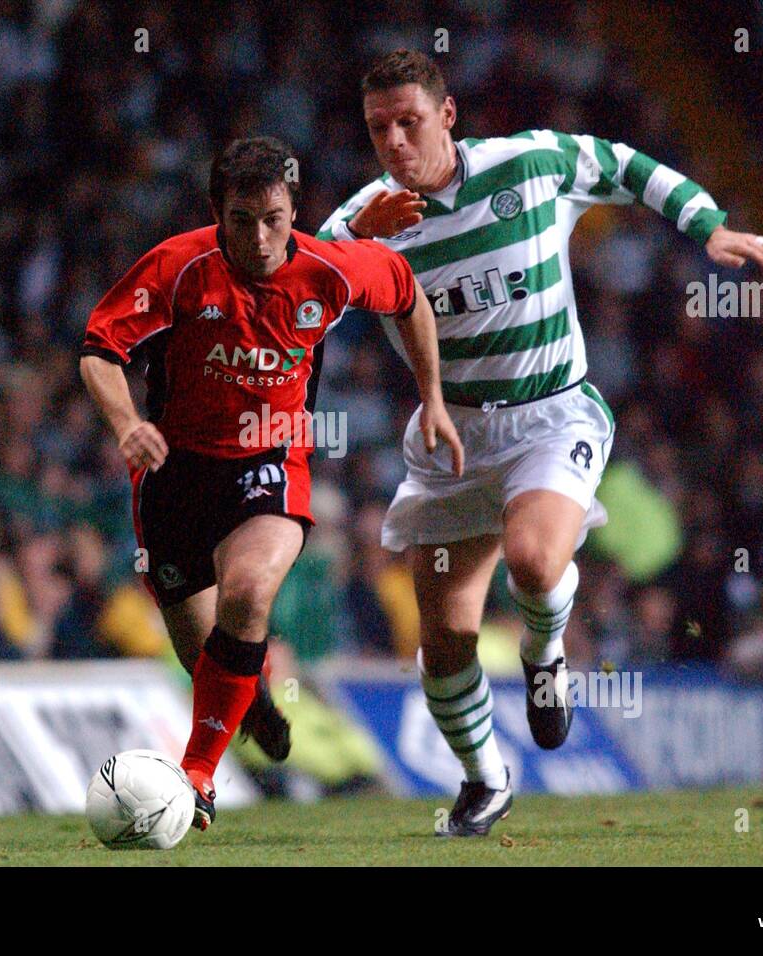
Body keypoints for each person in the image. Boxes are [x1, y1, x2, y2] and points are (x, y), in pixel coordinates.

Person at [319, 49, 763, 836]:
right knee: (445, 640)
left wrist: (707, 225)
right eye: (379, 128)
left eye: (409, 121)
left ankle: (545, 656)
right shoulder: (364, 217)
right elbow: (303, 305)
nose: (395, 141)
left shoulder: (529, 164)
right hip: (451, 437)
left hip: (551, 414)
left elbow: (626, 165)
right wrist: (352, 243)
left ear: (448, 115)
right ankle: (484, 781)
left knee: (536, 562)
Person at [80, 136, 462, 830]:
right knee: (206, 657)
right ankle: (248, 697)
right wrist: (125, 421)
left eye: (274, 219)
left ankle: (196, 776)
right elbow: (99, 349)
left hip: (269, 462)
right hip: (173, 474)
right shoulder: (179, 265)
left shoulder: (331, 270)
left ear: (294, 210)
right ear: (216, 213)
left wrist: (431, 394)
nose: (259, 239)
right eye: (241, 220)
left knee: (249, 593)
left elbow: (409, 297)